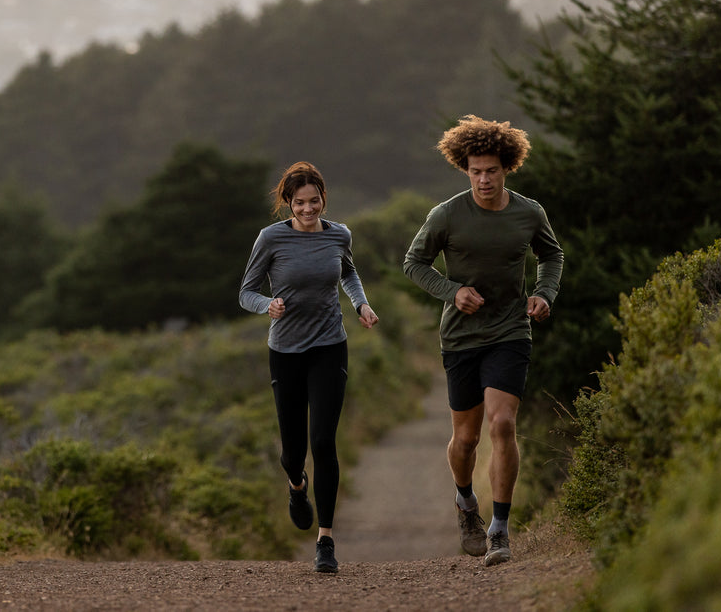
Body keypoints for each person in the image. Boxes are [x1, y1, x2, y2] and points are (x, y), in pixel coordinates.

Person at [402, 115, 564, 567]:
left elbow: (552, 255)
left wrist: (544, 293)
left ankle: (499, 530)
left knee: (503, 425)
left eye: (491, 170)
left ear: (506, 167)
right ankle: (466, 503)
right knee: (467, 438)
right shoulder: (447, 214)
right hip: (460, 337)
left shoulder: (528, 212)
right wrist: (452, 291)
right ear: (464, 168)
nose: (484, 179)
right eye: (475, 170)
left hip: (510, 331)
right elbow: (414, 264)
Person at [239, 161, 379, 574]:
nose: (307, 209)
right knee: (293, 452)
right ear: (288, 203)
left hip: (329, 347)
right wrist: (269, 305)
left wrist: (361, 303)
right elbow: (246, 292)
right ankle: (297, 487)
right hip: (285, 351)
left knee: (323, 442)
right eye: (299, 202)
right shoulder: (270, 239)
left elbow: (348, 272)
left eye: (314, 201)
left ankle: (326, 541)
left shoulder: (339, 234)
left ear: (323, 199)